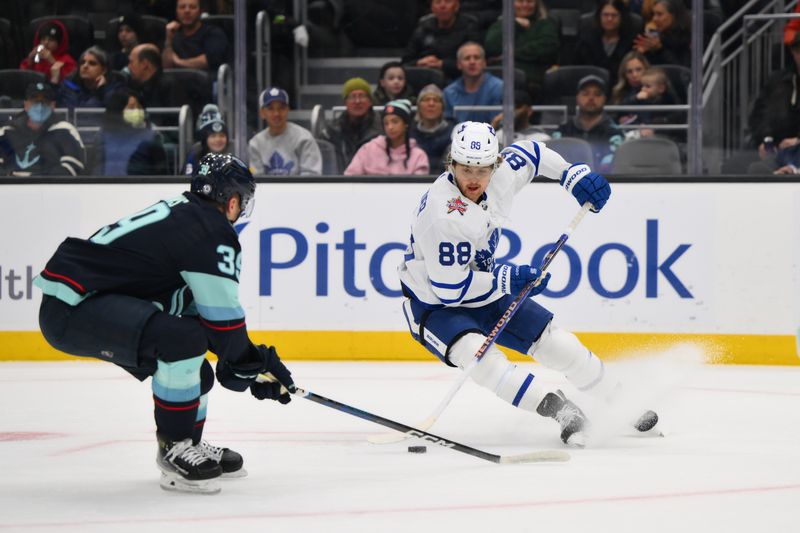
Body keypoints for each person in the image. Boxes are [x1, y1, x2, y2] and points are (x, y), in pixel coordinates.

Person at [34, 153, 296, 494]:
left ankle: (187, 443)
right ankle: (173, 450)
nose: (241, 210)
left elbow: (208, 322)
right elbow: (224, 322)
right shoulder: (209, 231)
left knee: (194, 368)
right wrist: (249, 362)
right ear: (231, 200)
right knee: (182, 342)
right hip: (73, 309)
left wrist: (252, 362)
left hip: (78, 303)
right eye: (242, 202)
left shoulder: (188, 216)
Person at [397, 121, 658, 447]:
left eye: (482, 169)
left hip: (485, 291)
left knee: (557, 344)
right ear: (451, 164)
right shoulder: (442, 214)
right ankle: (561, 411)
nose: (474, 179)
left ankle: (622, 401)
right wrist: (506, 278)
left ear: (496, 165)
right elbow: (449, 288)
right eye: (465, 169)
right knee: (482, 361)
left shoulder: (501, 175)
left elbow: (532, 153)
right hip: (434, 305)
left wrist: (571, 174)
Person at [0, 82, 85, 176]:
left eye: (45, 102)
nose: (40, 106)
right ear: (26, 105)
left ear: (53, 106)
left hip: (53, 189)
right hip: (10, 188)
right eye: (35, 101)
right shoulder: (7, 131)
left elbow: (74, 168)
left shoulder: (65, 130)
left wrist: (35, 178)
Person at [483, 0, 559, 99]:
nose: (524, 5)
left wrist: (509, 54)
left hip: (533, 83)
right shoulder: (500, 24)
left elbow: (547, 48)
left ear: (536, 4)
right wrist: (515, 24)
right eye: (520, 1)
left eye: (529, 1)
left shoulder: (545, 24)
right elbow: (491, 47)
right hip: (499, 82)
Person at [551, 75, 624, 172]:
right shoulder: (563, 130)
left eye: (597, 94)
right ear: (577, 98)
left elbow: (612, 168)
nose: (591, 98)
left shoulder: (614, 133)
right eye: (586, 94)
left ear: (604, 99)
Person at [92, 88, 169, 176]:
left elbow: (162, 174)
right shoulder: (102, 136)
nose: (137, 111)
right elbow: (92, 171)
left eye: (139, 107)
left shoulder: (152, 137)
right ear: (118, 110)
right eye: (132, 107)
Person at [402, 0, 484, 81]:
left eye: (448, 2)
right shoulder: (423, 28)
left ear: (456, 6)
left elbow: (476, 62)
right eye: (438, 2)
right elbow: (405, 62)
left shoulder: (469, 27)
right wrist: (419, 63)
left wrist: (442, 64)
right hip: (425, 80)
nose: (442, 6)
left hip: (459, 79)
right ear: (432, 8)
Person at [344, 99, 430, 176]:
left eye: (395, 122)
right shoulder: (368, 149)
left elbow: (419, 190)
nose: (390, 127)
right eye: (386, 123)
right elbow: (350, 178)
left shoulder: (418, 156)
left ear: (406, 124)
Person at [249, 87, 322, 176]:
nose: (276, 113)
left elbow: (311, 177)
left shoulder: (304, 138)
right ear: (262, 113)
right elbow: (256, 180)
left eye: (281, 108)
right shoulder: (255, 143)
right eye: (270, 108)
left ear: (288, 110)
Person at [748, 33, 800, 156]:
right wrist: (766, 140)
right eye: (798, 50)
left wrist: (798, 142)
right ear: (793, 52)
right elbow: (758, 117)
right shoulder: (777, 81)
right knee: (735, 164)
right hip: (777, 149)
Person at [319, 77, 383, 172]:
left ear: (370, 101)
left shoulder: (383, 129)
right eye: (352, 97)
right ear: (345, 103)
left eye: (362, 96)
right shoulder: (331, 132)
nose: (357, 101)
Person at [573, 0, 640, 88]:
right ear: (599, 17)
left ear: (622, 17)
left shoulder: (632, 40)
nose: (609, 19)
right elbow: (578, 69)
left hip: (623, 88)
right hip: (592, 87)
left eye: (614, 15)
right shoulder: (586, 40)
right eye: (605, 15)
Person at [444, 42, 504, 124]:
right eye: (467, 58)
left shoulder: (499, 88)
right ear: (459, 64)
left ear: (484, 63)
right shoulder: (449, 93)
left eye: (476, 58)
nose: (472, 62)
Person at [163, 0, 230, 73]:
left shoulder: (213, 33)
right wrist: (168, 40)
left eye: (192, 7)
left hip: (206, 82)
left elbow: (207, 62)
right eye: (182, 7)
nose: (187, 11)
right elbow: (167, 67)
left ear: (200, 11)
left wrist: (178, 62)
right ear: (176, 11)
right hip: (177, 82)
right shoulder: (173, 34)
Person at [410, 84, 457, 175]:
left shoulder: (454, 131)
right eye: (426, 100)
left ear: (442, 107)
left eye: (436, 100)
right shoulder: (410, 133)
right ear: (419, 106)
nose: (431, 104)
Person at [57, 46, 124, 109]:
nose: (85, 66)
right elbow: (82, 115)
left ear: (103, 70)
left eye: (92, 63)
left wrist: (101, 90)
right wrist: (98, 95)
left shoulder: (115, 89)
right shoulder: (69, 86)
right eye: (82, 62)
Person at [127, 43, 187, 113]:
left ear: (144, 64)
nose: (129, 67)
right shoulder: (134, 87)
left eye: (131, 62)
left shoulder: (170, 87)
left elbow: (175, 119)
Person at [632, 0, 691, 67]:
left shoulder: (687, 37)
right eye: (653, 14)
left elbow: (682, 69)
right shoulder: (655, 36)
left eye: (659, 14)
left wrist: (660, 50)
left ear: (674, 16)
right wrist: (641, 54)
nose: (654, 19)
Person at [20, 20, 77, 84]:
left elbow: (69, 81)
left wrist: (52, 61)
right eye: (43, 39)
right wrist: (30, 61)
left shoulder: (67, 61)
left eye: (51, 40)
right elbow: (23, 79)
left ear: (59, 42)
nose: (46, 43)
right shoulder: (36, 58)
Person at [183, 103, 230, 175]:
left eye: (222, 135)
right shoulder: (195, 154)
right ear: (205, 139)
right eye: (213, 136)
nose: (218, 140)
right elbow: (187, 180)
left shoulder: (234, 154)